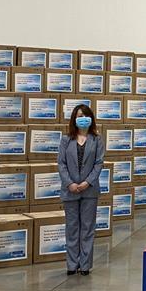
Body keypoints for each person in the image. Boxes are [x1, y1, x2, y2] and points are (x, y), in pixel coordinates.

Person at [58, 103, 104, 275]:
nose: (83, 119)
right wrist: (69, 183)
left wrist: (88, 182)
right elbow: (61, 164)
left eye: (85, 116)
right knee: (72, 228)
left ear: (91, 118)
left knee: (87, 228)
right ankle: (72, 264)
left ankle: (85, 265)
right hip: (70, 190)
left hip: (89, 190)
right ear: (74, 119)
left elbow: (99, 163)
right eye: (79, 116)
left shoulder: (97, 139)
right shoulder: (66, 140)